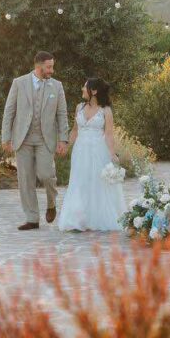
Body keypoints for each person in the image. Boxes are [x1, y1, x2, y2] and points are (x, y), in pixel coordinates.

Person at [1, 51, 69, 230]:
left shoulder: (57, 86)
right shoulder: (19, 83)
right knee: (25, 179)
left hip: (45, 139)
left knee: (47, 174)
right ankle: (32, 218)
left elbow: (62, 114)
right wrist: (6, 137)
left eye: (52, 66)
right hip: (22, 139)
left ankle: (51, 202)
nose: (52, 70)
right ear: (39, 66)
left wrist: (63, 139)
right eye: (49, 67)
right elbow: (9, 111)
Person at [56, 77, 124, 232]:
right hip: (80, 151)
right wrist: (66, 145)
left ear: (93, 91)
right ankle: (77, 219)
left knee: (97, 183)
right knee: (79, 182)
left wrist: (112, 154)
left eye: (84, 86)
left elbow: (108, 135)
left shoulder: (105, 111)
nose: (82, 89)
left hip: (98, 151)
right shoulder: (79, 107)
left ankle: (96, 218)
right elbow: (75, 130)